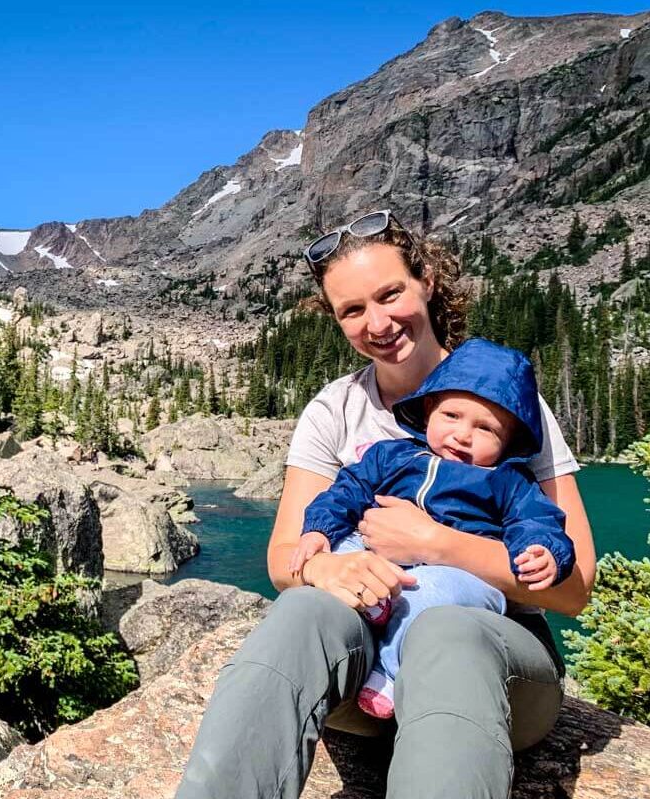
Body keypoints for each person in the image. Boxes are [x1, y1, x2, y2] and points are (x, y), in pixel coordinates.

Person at [174, 210, 596, 799]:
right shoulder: (334, 410)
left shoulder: (507, 400)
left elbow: (574, 591)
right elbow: (284, 560)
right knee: (301, 612)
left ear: (425, 280)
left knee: (449, 632)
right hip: (363, 675)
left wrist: (437, 545)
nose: (377, 322)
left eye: (390, 293)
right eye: (352, 310)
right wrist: (325, 565)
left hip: (494, 672)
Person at [290, 338, 576, 718]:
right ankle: (374, 608)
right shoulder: (392, 455)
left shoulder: (508, 482)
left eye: (486, 429)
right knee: (343, 552)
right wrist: (320, 531)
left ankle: (388, 673)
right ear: (429, 410)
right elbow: (349, 489)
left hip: (458, 575)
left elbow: (539, 522)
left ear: (508, 442)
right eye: (452, 416)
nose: (462, 435)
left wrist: (545, 551)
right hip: (379, 555)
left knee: (434, 598)